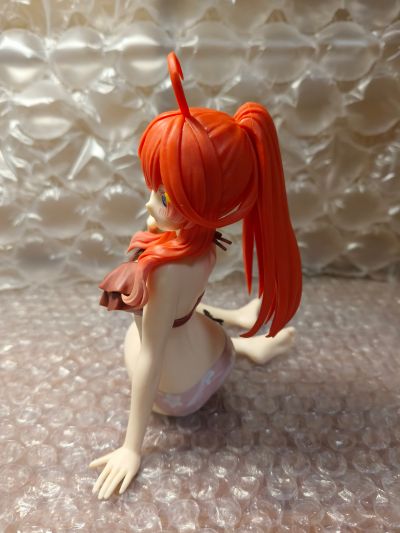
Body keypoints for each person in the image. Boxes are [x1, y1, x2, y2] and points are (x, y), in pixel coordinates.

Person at [89, 52, 302, 499]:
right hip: (212, 356)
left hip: (177, 395)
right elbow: (184, 308)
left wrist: (131, 447)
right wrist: (162, 218)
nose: (149, 203)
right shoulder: (203, 242)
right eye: (154, 188)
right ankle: (244, 335)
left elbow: (151, 356)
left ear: (199, 205)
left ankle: (244, 338)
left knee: (146, 334)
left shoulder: (165, 273)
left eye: (165, 196)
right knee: (181, 317)